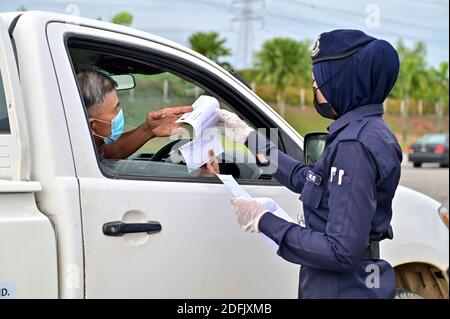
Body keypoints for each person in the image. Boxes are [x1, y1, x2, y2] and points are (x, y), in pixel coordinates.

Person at [217, 29, 402, 299]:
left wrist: (263, 221)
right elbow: (307, 179)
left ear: (343, 84)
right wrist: (248, 136)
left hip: (341, 288)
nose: (315, 92)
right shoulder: (368, 131)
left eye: (318, 84)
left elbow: (340, 251)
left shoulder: (354, 145)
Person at [77, 69, 193, 159]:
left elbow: (111, 152)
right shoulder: (80, 161)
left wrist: (149, 129)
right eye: (115, 109)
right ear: (93, 125)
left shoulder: (89, 149)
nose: (120, 113)